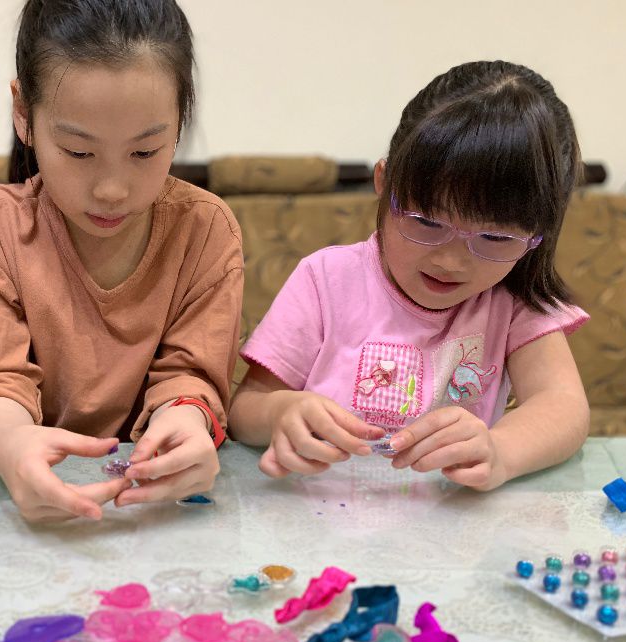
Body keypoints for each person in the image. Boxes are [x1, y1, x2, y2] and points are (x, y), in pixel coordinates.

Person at [229, 61, 589, 492]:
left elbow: (563, 406)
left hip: (444, 529)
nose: (452, 261)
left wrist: (501, 452)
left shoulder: (513, 301)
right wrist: (280, 413)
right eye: (427, 222)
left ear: (538, 235)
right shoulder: (326, 278)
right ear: (384, 181)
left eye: (495, 236)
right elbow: (245, 409)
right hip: (316, 513)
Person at [0, 0, 244, 522]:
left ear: (180, 120)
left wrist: (187, 420)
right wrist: (15, 445)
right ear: (24, 114)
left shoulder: (205, 229)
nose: (112, 190)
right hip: (15, 500)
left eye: (145, 152)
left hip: (150, 507)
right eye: (79, 152)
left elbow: (190, 377)